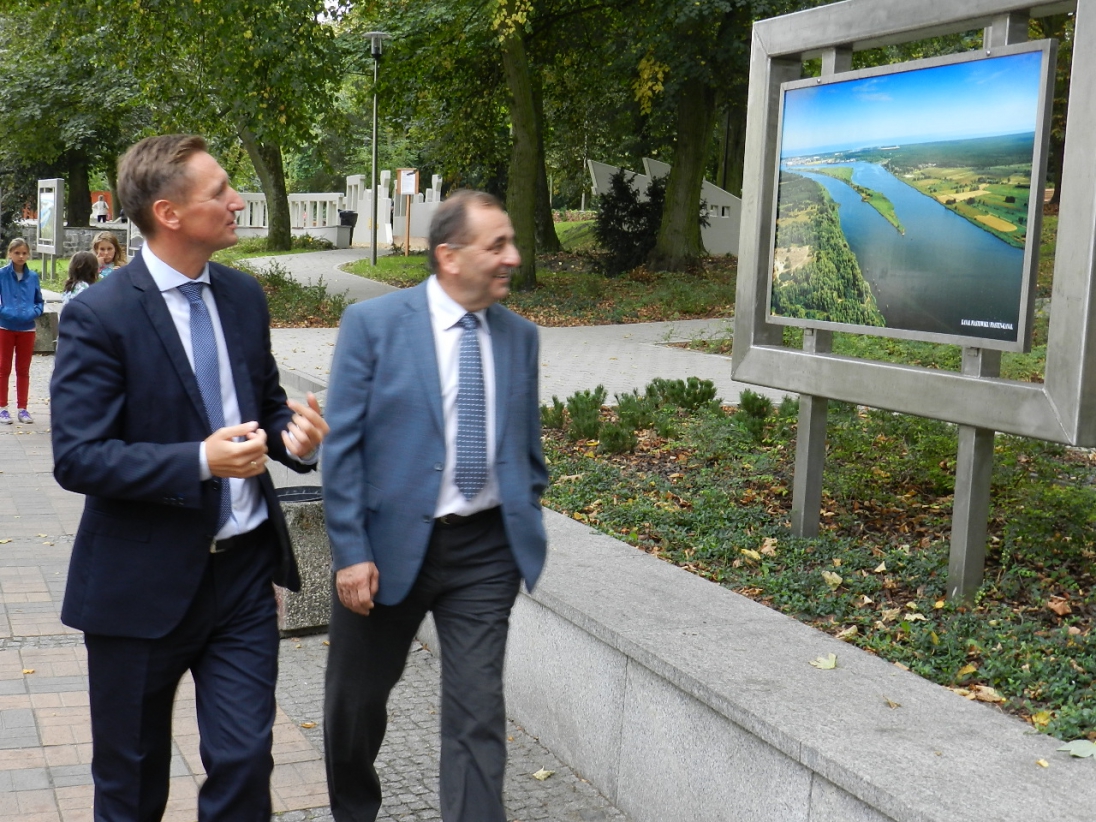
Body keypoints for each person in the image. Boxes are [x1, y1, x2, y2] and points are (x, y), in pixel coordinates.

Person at [50, 134, 329, 822]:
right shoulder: (100, 315)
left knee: (244, 764)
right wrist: (200, 460)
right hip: (136, 585)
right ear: (168, 213)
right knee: (131, 782)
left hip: (243, 575)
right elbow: (78, 456)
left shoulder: (243, 296)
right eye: (220, 191)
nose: (238, 202)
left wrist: (296, 439)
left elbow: (264, 407)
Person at [322, 190, 548, 822]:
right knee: (354, 708)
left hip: (484, 553)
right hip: (386, 549)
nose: (513, 257)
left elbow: (527, 448)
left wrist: (525, 508)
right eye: (497, 245)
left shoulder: (521, 337)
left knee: (478, 714)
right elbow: (343, 448)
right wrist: (351, 551)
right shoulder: (373, 324)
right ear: (449, 256)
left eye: (511, 243)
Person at [0, 237, 44, 425]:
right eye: (17, 252)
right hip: (5, 327)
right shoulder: (2, 274)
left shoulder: (32, 277)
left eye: (24, 253)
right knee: (3, 368)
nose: (21, 256)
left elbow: (39, 301)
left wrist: (33, 312)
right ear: (10, 253)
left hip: (27, 328)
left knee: (23, 369)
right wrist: (6, 312)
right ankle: (2, 408)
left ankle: (23, 408)